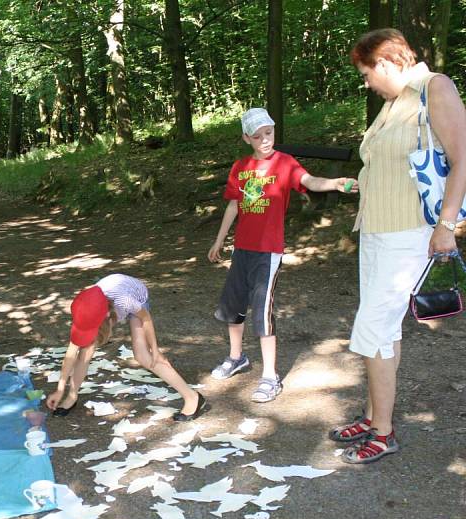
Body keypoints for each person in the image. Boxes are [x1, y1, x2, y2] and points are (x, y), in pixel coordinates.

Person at [328, 29, 466, 464]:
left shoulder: (434, 87)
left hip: (410, 233)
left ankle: (383, 433)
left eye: (367, 73)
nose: (367, 83)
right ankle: (373, 417)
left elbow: (462, 156)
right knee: (383, 331)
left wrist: (446, 225)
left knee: (370, 328)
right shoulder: (394, 104)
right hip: (376, 230)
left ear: (386, 63)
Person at [208, 107, 357, 402]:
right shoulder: (241, 167)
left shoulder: (284, 163)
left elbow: (309, 181)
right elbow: (234, 205)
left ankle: (270, 376)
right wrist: (219, 240)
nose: (265, 140)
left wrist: (334, 183)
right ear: (246, 138)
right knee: (233, 304)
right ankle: (236, 357)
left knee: (262, 312)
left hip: (268, 251)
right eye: (258, 135)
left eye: (269, 133)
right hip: (242, 249)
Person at [45, 274, 205, 421]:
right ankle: (71, 397)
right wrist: (60, 389)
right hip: (108, 306)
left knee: (143, 355)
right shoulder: (85, 308)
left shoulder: (126, 301)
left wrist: (155, 350)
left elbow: (146, 319)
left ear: (107, 317)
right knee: (84, 353)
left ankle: (192, 397)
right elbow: (71, 354)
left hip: (137, 297)